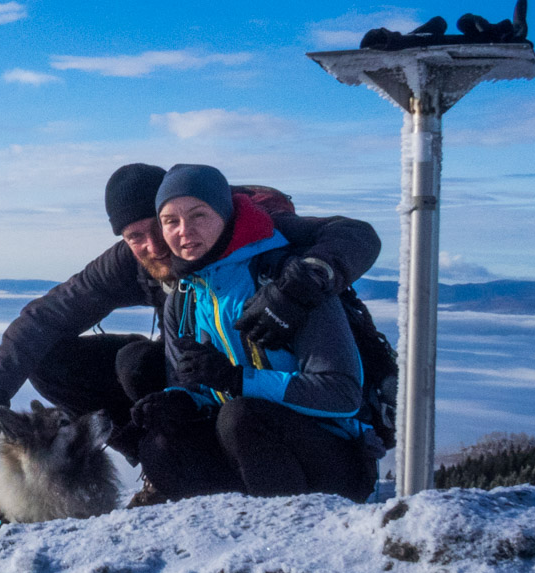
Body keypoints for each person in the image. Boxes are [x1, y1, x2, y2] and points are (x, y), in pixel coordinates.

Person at [0, 163, 382, 474]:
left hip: (295, 397)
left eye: (163, 227)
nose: (158, 245)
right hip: (208, 379)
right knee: (76, 361)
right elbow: (43, 320)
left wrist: (299, 287)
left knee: (161, 376)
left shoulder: (258, 237)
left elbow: (356, 234)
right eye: (135, 236)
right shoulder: (131, 261)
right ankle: (159, 461)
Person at [131, 164, 381, 503]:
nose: (184, 231)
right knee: (161, 442)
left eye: (199, 215)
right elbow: (198, 388)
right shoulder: (185, 296)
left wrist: (238, 380)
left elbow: (340, 394)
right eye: (171, 221)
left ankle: (293, 540)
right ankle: (219, 540)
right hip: (251, 454)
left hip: (333, 459)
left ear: (225, 214)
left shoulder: (286, 281)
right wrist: (179, 401)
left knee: (241, 416)